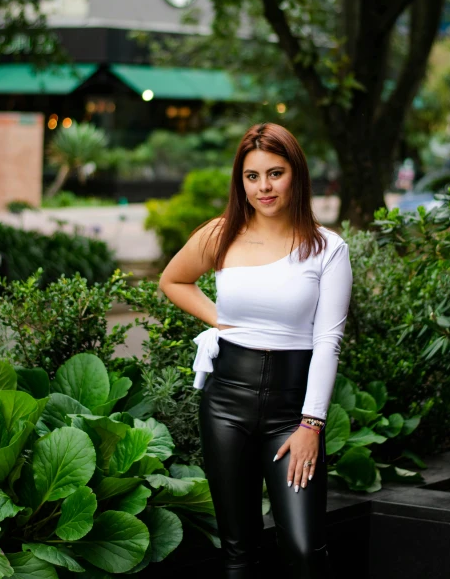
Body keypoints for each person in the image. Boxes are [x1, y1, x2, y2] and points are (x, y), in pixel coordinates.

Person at [160, 122, 353, 579]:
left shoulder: (328, 248)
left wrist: (311, 424)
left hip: (292, 412)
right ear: (240, 180)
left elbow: (328, 342)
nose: (263, 187)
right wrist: (221, 322)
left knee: (306, 550)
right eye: (252, 176)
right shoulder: (221, 233)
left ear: (296, 175)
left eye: (275, 173)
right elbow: (173, 280)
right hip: (226, 404)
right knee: (238, 552)